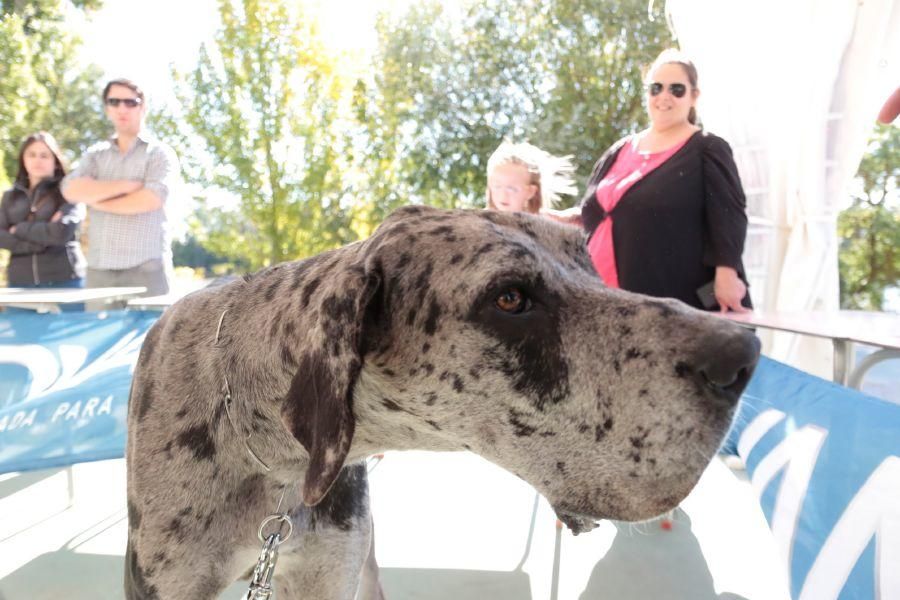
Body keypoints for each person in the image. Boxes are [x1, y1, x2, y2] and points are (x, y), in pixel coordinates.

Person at [550, 49, 752, 312]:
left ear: (694, 96)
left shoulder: (707, 148)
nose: (664, 97)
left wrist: (727, 274)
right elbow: (611, 210)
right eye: (655, 88)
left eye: (676, 89)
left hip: (673, 305)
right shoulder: (618, 150)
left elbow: (729, 214)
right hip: (603, 299)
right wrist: (565, 218)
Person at [62, 78, 180, 301]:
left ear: (143, 107)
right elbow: (71, 190)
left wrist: (97, 199)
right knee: (96, 336)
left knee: (153, 336)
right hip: (100, 271)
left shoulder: (159, 153)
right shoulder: (95, 155)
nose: (121, 108)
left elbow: (151, 199)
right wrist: (127, 186)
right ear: (107, 108)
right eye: (114, 102)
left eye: (130, 102)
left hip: (147, 270)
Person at [0, 132, 86, 289]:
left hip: (65, 280)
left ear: (55, 161)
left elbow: (61, 231)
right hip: (20, 283)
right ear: (23, 159)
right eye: (32, 155)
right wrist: (36, 245)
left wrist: (19, 229)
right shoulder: (9, 196)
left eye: (44, 155)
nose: (37, 160)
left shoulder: (69, 191)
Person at [486, 141, 577, 214]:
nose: (503, 195)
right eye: (497, 186)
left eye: (512, 189)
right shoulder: (478, 225)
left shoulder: (542, 228)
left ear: (530, 192)